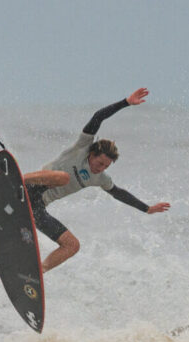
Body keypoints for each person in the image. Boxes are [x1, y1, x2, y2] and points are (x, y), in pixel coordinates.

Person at [21, 88, 170, 273]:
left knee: (72, 246)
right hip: (29, 188)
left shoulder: (99, 178)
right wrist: (125, 102)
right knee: (63, 177)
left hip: (36, 206)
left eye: (106, 166)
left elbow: (118, 193)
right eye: (100, 163)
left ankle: (37, 271)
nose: (101, 168)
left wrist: (147, 208)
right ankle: (18, 180)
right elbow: (97, 117)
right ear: (92, 154)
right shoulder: (82, 147)